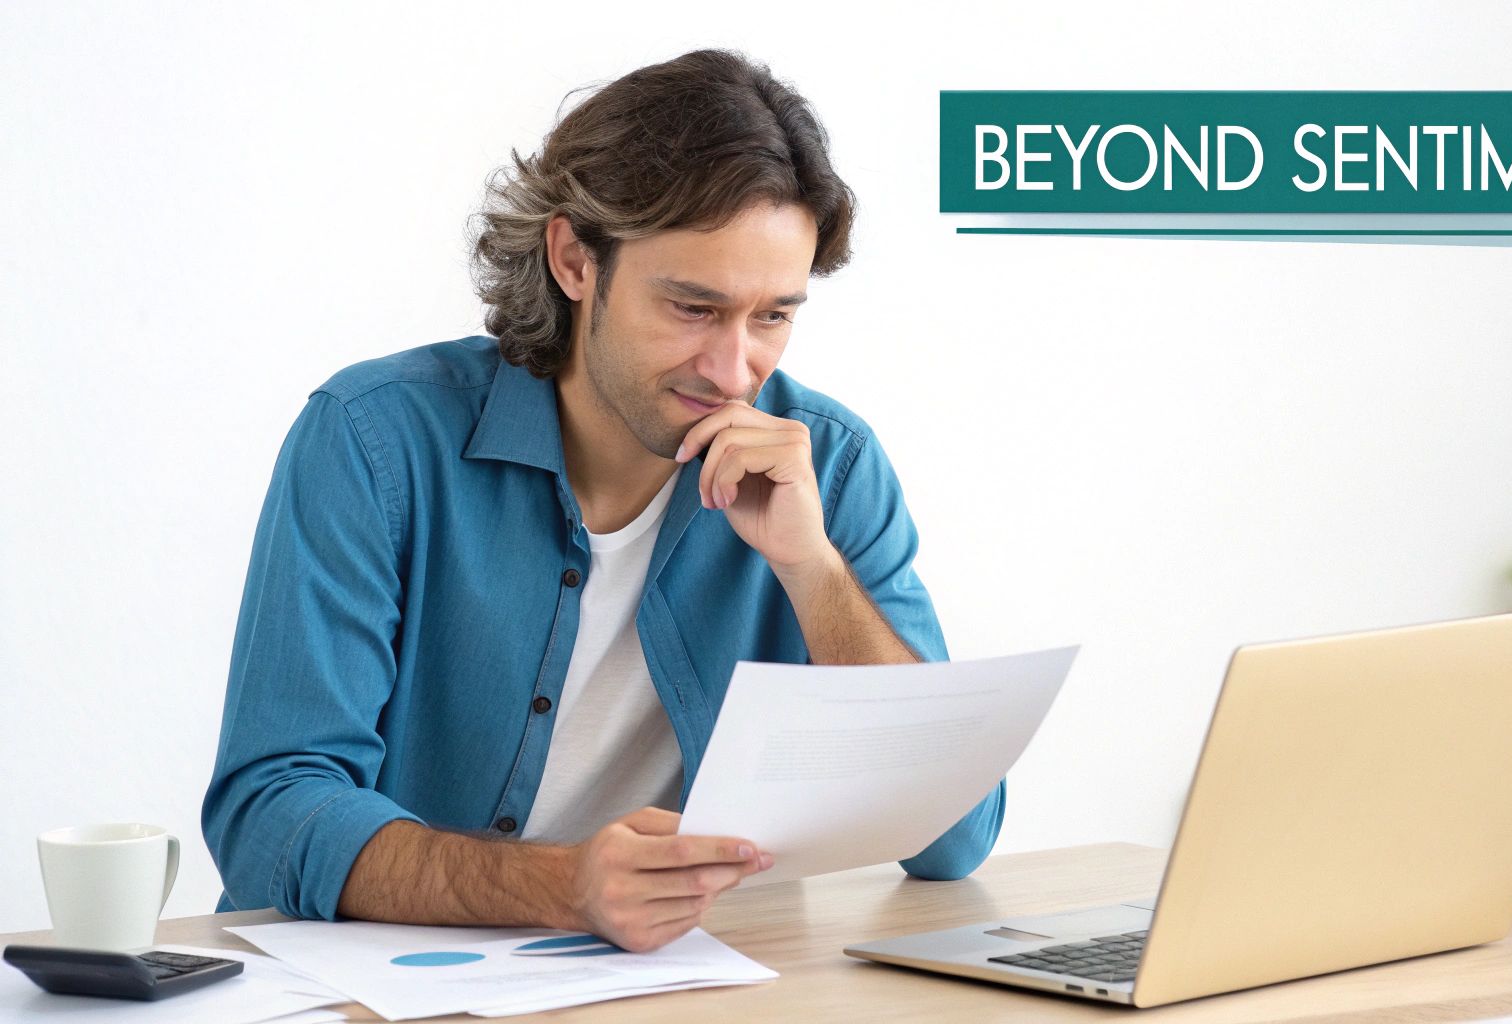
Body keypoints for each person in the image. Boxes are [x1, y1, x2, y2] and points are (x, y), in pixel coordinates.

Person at [201, 48, 1001, 954]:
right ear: (575, 259)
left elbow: (953, 841)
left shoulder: (828, 467)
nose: (734, 369)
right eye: (693, 308)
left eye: (773, 315)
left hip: (670, 987)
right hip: (378, 984)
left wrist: (813, 571)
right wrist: (565, 887)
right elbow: (270, 813)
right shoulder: (374, 442)